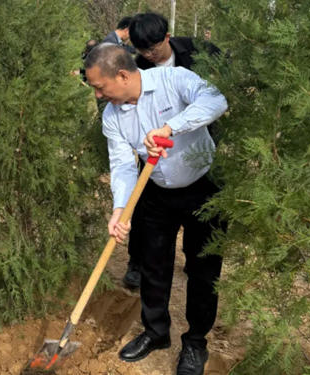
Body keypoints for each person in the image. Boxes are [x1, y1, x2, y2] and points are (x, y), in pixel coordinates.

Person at [84, 44, 227, 375]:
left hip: (204, 186)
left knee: (203, 269)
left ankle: (195, 342)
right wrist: (120, 208)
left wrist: (171, 127)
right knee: (153, 266)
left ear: (122, 75)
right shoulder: (112, 116)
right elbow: (122, 165)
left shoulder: (173, 80)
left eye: (99, 87)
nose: (100, 95)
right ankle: (156, 332)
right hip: (157, 191)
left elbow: (217, 101)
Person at [121, 12, 221, 289]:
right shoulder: (137, 68)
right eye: (143, 50)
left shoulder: (200, 52)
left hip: (200, 143)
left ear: (167, 37)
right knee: (143, 210)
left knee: (200, 214)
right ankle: (137, 262)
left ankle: (194, 258)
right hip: (155, 152)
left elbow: (220, 91)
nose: (149, 55)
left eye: (154, 48)